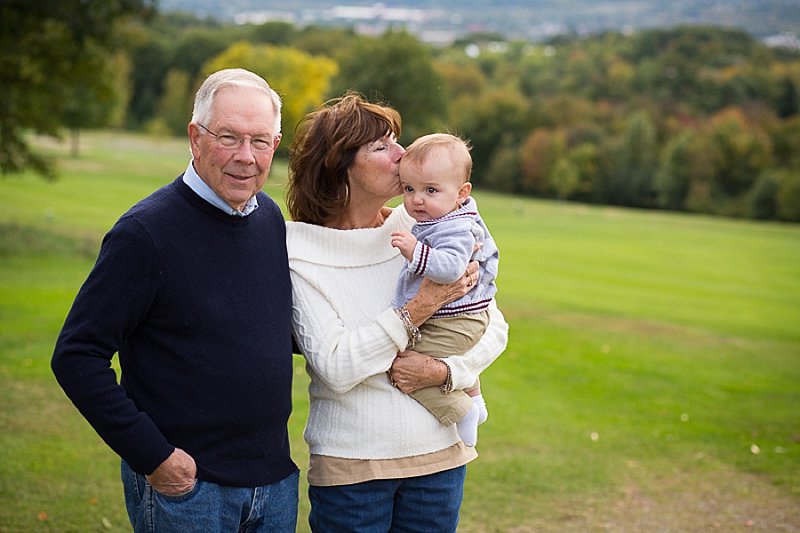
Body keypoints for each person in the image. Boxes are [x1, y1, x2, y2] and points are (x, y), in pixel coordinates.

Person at [51, 68, 299, 532]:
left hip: (274, 483)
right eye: (229, 137)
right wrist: (155, 457)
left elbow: (263, 329)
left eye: (260, 141)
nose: (246, 157)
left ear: (276, 144)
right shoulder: (145, 233)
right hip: (189, 489)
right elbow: (76, 356)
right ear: (195, 138)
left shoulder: (268, 217)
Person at [286, 92, 508, 532]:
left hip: (440, 461)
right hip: (354, 472)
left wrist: (446, 374)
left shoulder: (424, 224)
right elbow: (337, 365)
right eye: (381, 145)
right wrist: (418, 310)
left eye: (396, 139)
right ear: (340, 165)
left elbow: (493, 325)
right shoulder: (299, 252)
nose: (402, 153)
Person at [390, 133, 499, 447]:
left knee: (408, 367)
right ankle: (476, 400)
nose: (416, 200)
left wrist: (415, 252)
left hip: (457, 320)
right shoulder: (444, 217)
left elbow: (451, 268)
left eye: (430, 190)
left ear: (462, 193)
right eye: (409, 189)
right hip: (458, 318)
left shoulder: (454, 226)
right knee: (432, 357)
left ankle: (460, 410)